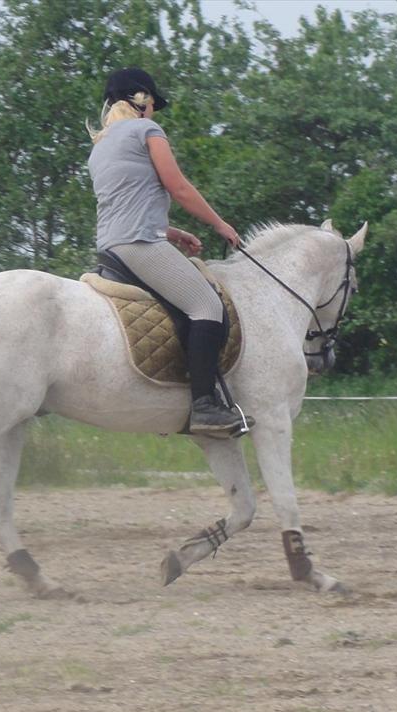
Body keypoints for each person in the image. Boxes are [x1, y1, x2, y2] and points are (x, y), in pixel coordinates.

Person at [87, 67, 252, 438]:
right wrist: (219, 224)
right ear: (140, 99)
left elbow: (124, 205)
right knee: (207, 306)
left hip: (112, 248)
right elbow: (178, 187)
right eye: (152, 103)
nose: (154, 111)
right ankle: (204, 406)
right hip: (139, 245)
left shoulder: (100, 147)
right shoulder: (147, 130)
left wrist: (171, 232)